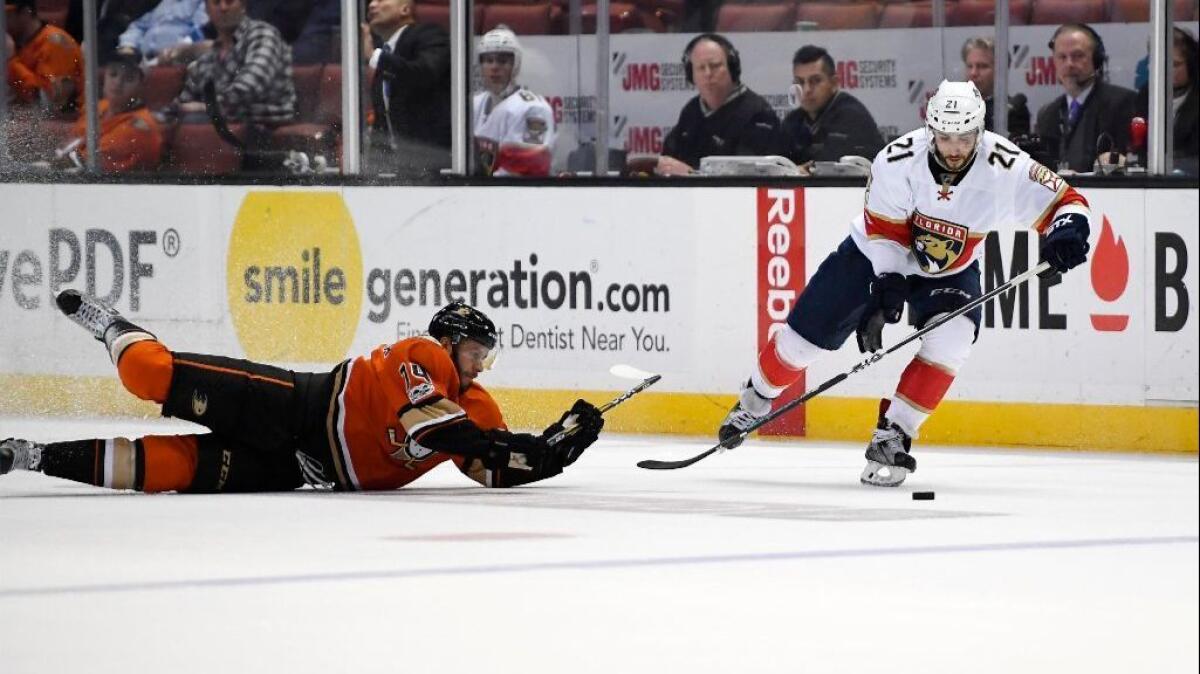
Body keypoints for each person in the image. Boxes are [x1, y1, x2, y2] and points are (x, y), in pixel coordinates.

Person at [717, 81, 1091, 487]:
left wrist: (1066, 234)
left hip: (950, 268)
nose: (953, 148)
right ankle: (753, 399)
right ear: (930, 130)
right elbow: (885, 233)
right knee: (804, 339)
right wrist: (888, 286)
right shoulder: (896, 160)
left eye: (964, 138)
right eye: (945, 137)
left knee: (953, 340)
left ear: (979, 132)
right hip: (871, 252)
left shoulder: (1006, 165)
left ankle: (895, 432)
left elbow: (1066, 202)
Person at [1, 293, 605, 493]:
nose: (480, 366)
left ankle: (30, 455)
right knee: (148, 376)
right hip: (290, 403)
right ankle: (114, 326)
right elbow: (435, 430)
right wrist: (520, 445)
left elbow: (486, 468)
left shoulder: (477, 408)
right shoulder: (421, 354)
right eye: (476, 353)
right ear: (449, 341)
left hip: (298, 466)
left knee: (157, 469)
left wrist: (552, 456)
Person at [171, 0, 296, 150]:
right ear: (207, 10)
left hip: (263, 130)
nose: (223, 8)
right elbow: (184, 102)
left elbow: (248, 89)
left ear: (243, 5)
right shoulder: (209, 58)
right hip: (221, 125)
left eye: (229, 1)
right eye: (216, 2)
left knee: (194, 123)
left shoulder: (262, 34)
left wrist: (205, 107)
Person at [656, 33, 778, 176]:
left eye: (715, 66)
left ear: (732, 68)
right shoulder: (692, 110)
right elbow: (670, 157)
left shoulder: (757, 113)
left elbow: (748, 178)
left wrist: (693, 174)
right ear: (691, 75)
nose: (708, 73)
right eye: (701, 68)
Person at [361, 0, 451, 175]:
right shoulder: (386, 54)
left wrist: (375, 56)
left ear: (405, 9)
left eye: (381, 0)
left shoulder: (429, 34)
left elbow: (425, 73)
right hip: (403, 169)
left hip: (438, 166)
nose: (372, 5)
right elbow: (383, 122)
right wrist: (372, 170)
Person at [1034, 23, 1136, 173]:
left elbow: (1133, 162)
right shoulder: (1048, 114)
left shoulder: (1122, 103)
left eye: (1078, 56)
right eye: (1062, 57)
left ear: (1097, 61)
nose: (1069, 64)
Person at [776, 45, 884, 166]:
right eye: (800, 82)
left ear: (834, 83)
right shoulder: (793, 121)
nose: (806, 89)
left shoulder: (851, 115)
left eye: (815, 81)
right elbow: (777, 163)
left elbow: (830, 166)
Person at [57, 52, 163, 171]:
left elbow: (88, 165)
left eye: (129, 78)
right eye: (113, 74)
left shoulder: (140, 128)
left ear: (141, 86)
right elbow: (69, 146)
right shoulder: (99, 107)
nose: (118, 83)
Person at [472, 25, 555, 177]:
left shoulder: (533, 109)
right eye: (488, 61)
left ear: (515, 65)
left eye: (502, 61)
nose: (494, 67)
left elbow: (526, 169)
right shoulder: (473, 105)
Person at [1135, 26, 1198, 175]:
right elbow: (1139, 148)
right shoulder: (1147, 93)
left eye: (1175, 64)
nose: (1166, 70)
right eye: (1160, 63)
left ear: (1192, 65)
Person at [5, 0, 82, 116]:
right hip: (28, 122)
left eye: (6, 16)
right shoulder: (16, 42)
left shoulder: (55, 43)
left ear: (26, 13)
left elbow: (50, 105)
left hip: (67, 125)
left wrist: (12, 63)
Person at [961, 36, 1030, 137]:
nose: (973, 73)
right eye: (969, 66)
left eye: (982, 66)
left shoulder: (1012, 111)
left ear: (1001, 70)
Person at [115, 0, 207, 62]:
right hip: (142, 59)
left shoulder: (200, 3)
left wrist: (178, 51)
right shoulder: (164, 3)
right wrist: (127, 45)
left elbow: (201, 31)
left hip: (174, 59)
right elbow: (138, 26)